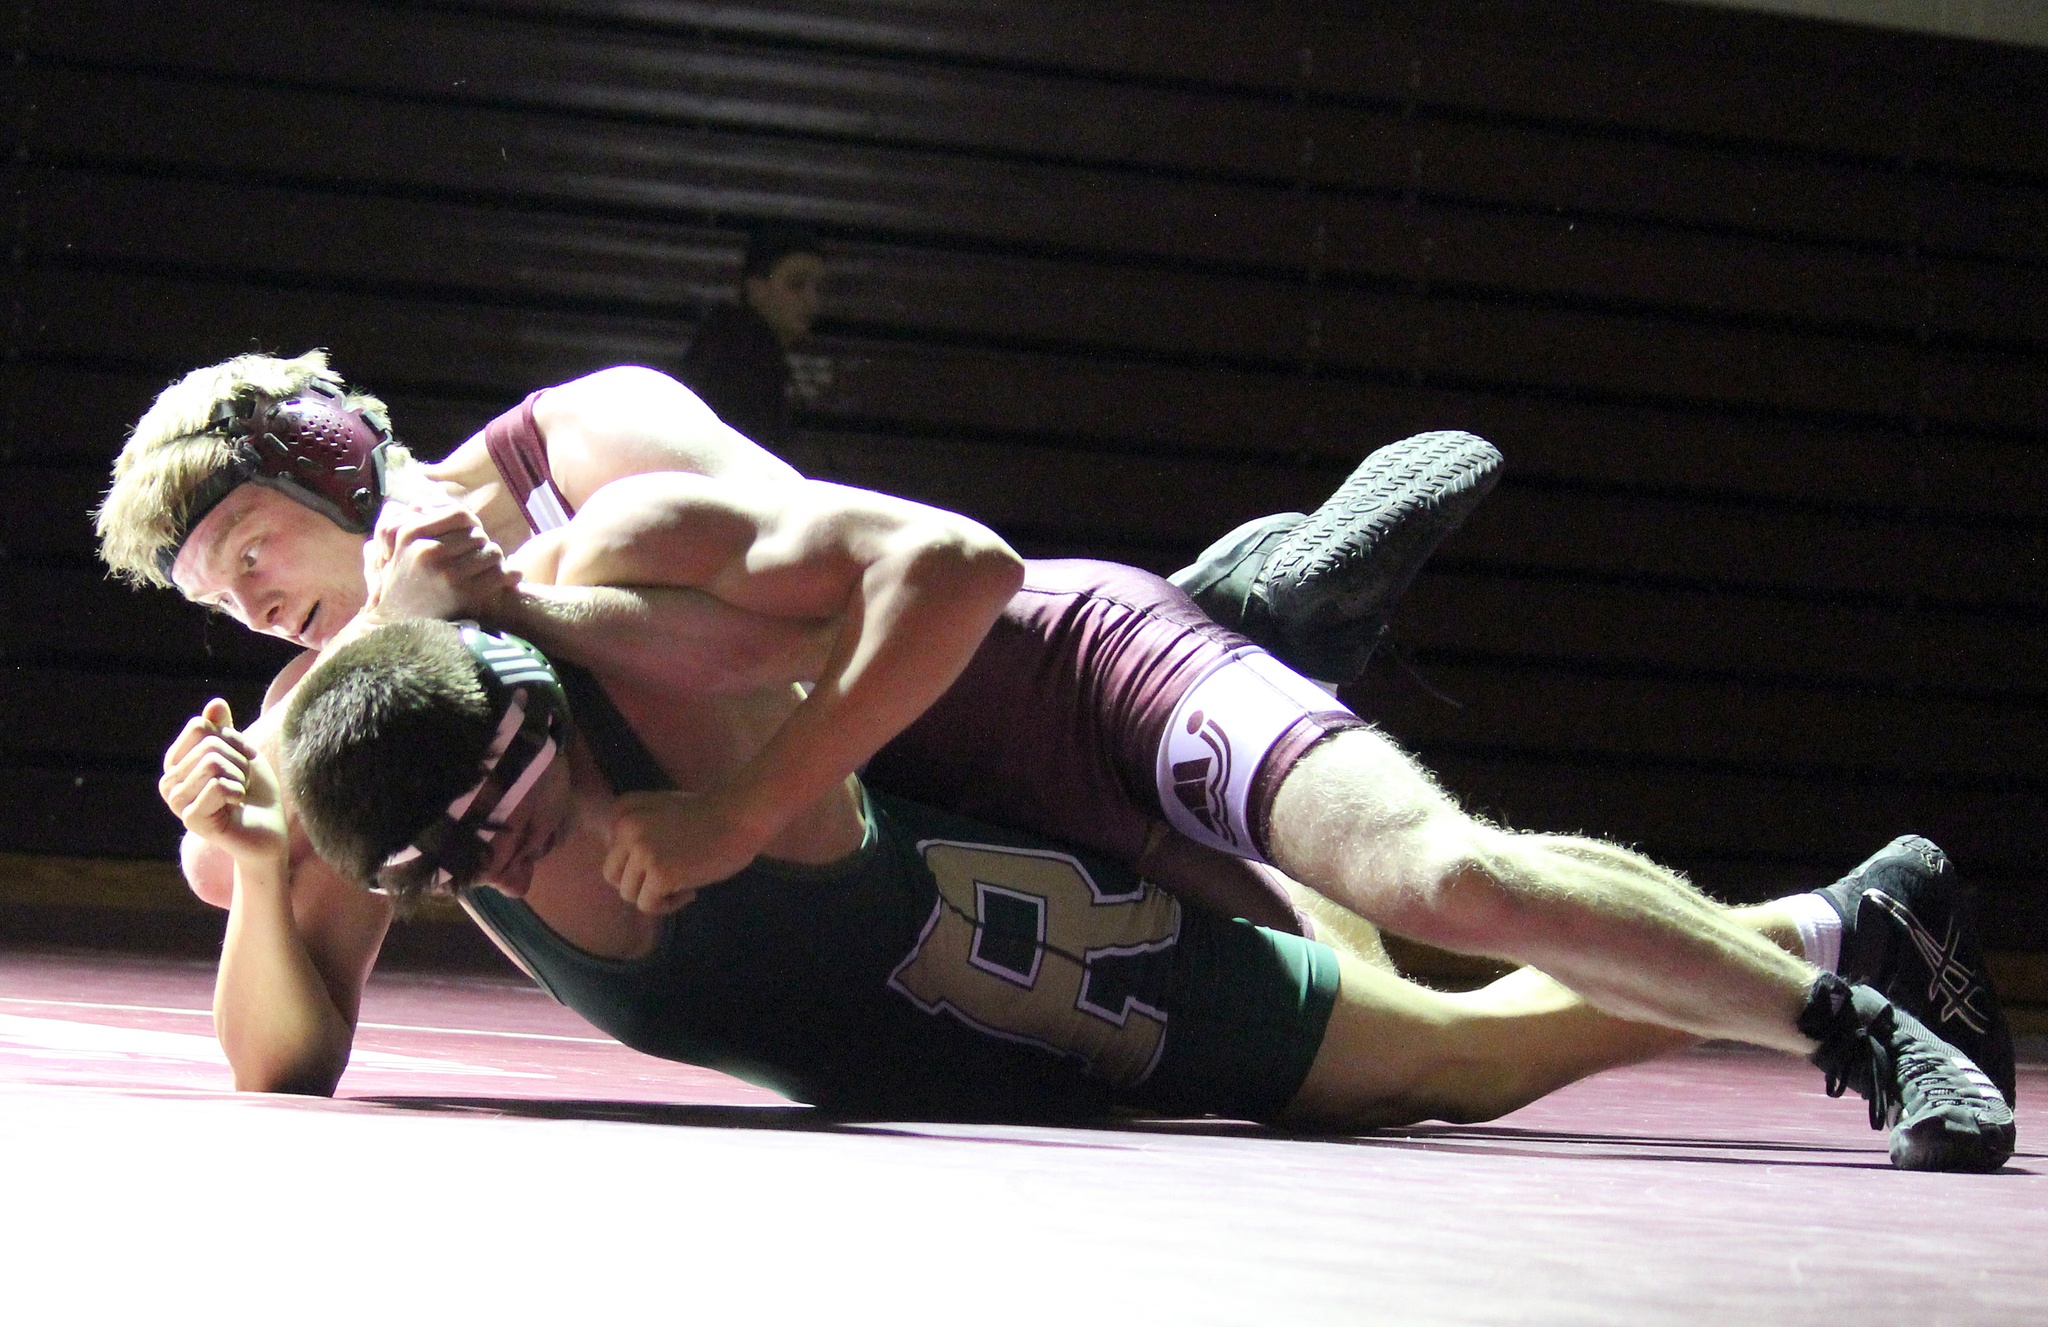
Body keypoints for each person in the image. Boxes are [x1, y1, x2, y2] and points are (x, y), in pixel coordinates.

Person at [112, 353, 2014, 1165]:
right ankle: (1833, 930)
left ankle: (1836, 1010)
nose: (255, 611)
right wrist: (252, 835)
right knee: (1392, 1035)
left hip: (1019, 687)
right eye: (218, 601)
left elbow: (899, 591)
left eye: (253, 558)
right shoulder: (382, 704)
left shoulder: (579, 481)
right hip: (956, 843)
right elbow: (285, 997)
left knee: (1432, 894)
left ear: (333, 466)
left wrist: (557, 630)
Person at [184, 615, 2010, 1172]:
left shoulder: (658, 678)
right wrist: (265, 866)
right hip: (973, 1024)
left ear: (535, 701)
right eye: (467, 868)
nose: (524, 858)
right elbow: (278, 1062)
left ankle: (1841, 930)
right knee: (1425, 1007)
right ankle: (1249, 657)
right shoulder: (393, 779)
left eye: (529, 804)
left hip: (1093, 976)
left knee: (1459, 1058)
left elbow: (914, 575)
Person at [676, 225, 824, 457]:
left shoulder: (741, 350)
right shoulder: (739, 362)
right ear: (757, 290)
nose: (812, 301)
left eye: (817, 288)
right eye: (796, 285)